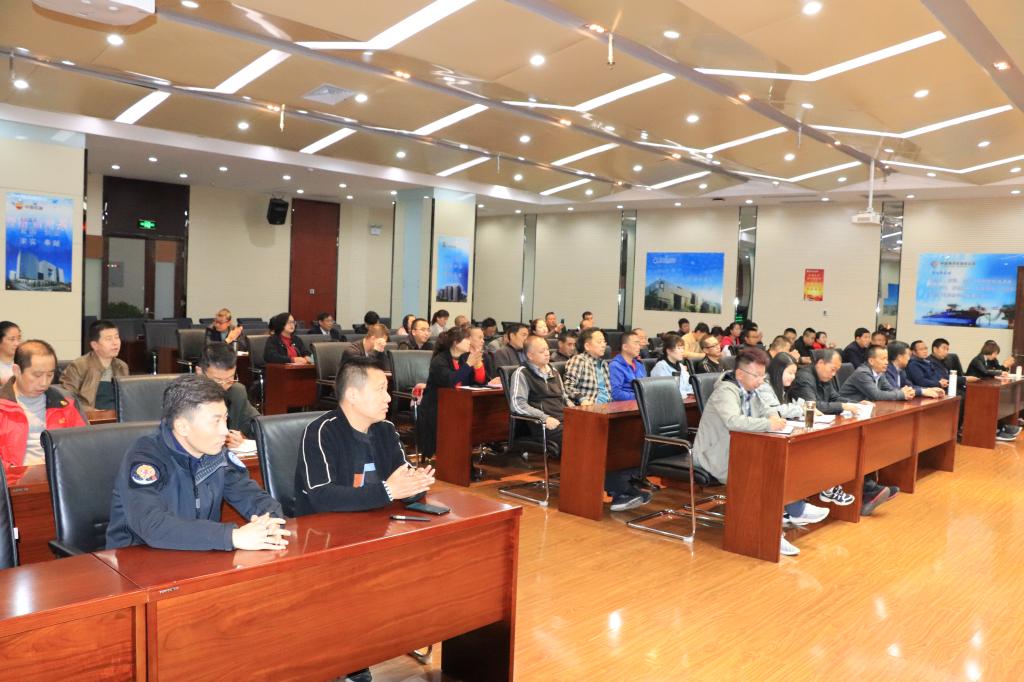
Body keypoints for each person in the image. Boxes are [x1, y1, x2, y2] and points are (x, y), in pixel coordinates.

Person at [106, 374, 289, 552]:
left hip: (198, 554)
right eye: (215, 422)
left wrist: (270, 521)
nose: (225, 431)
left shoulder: (216, 454)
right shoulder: (146, 458)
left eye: (225, 419)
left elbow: (250, 495)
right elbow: (151, 525)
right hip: (139, 560)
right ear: (182, 427)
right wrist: (231, 537)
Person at [691, 348, 830, 556]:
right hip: (714, 456)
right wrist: (768, 424)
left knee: (780, 463)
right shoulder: (726, 391)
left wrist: (773, 417)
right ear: (740, 374)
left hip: (741, 451)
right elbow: (733, 421)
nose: (760, 381)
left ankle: (793, 511)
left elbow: (767, 409)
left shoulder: (751, 390)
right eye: (756, 376)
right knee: (764, 475)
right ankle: (772, 533)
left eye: (763, 376)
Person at [510, 336, 646, 511]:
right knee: (587, 443)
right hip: (544, 425)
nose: (547, 353)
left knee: (603, 436)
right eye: (542, 351)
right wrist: (544, 417)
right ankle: (621, 491)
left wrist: (577, 411)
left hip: (566, 419)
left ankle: (623, 488)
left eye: (547, 350)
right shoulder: (521, 373)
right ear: (530, 355)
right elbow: (517, 404)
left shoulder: (553, 371)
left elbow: (564, 398)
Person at [295, 356, 434, 516]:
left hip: (376, 520)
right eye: (380, 389)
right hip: (326, 526)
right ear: (353, 395)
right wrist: (388, 491)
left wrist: (415, 485)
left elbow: (403, 475)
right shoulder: (321, 433)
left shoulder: (386, 429)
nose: (388, 398)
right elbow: (321, 496)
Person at [767, 353, 857, 508]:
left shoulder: (821, 378)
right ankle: (800, 504)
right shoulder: (796, 380)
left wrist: (854, 404)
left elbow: (833, 398)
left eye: (794, 373)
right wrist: (802, 408)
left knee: (834, 444)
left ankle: (826, 488)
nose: (793, 377)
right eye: (790, 373)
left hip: (784, 431)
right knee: (814, 449)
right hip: (769, 437)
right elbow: (808, 405)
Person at [0, 340, 87, 468]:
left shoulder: (65, 403)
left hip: (58, 474)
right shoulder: (2, 406)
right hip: (12, 478)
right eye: (37, 375)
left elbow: (84, 445)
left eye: (50, 375)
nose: (44, 383)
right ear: (17, 370)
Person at [416, 327, 487, 459]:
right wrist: (468, 365)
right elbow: (451, 381)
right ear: (456, 342)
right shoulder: (440, 360)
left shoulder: (463, 358)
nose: (469, 342)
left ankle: (463, 460)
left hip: (459, 404)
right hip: (438, 406)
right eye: (466, 339)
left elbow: (479, 381)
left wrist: (478, 365)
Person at [195, 342, 259, 444]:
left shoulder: (236, 392)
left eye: (229, 379)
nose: (223, 386)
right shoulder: (184, 396)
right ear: (199, 372)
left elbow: (258, 425)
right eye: (217, 380)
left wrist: (242, 437)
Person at [61, 319, 129, 410]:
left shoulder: (122, 366)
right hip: (91, 417)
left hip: (118, 416)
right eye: (108, 339)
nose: (115, 343)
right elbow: (66, 399)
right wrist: (93, 412)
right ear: (95, 345)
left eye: (117, 337)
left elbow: (126, 398)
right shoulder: (79, 366)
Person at [564, 328, 612, 406]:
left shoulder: (604, 364)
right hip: (588, 407)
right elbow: (568, 386)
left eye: (604, 341)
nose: (603, 345)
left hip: (607, 406)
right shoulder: (579, 360)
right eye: (599, 342)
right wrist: (582, 399)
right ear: (587, 346)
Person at [650, 332, 691, 398]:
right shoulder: (660, 367)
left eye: (683, 348)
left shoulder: (681, 366)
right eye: (679, 348)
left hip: (684, 399)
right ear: (668, 351)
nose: (682, 351)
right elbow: (663, 391)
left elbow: (689, 386)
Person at [609, 330, 647, 401]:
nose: (638, 347)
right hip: (625, 405)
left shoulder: (639, 365)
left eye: (639, 344)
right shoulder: (615, 366)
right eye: (635, 344)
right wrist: (639, 397)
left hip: (641, 403)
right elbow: (616, 393)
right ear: (625, 347)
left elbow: (645, 387)